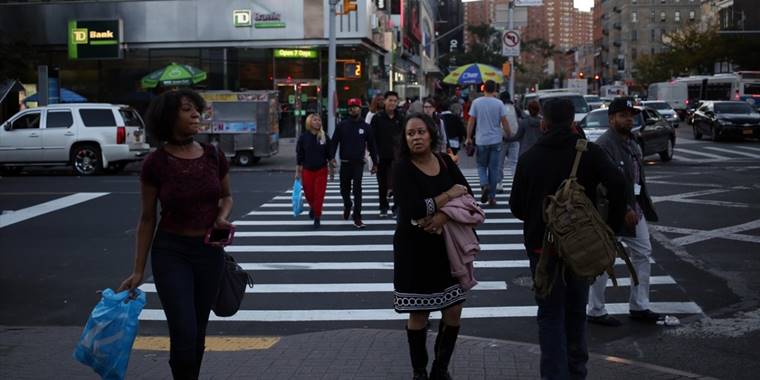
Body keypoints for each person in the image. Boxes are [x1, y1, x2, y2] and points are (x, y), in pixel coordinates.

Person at [117, 89, 233, 380]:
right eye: (186, 109)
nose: (196, 114)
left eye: (196, 108)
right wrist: (137, 271)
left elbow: (227, 196)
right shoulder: (156, 163)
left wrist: (221, 217)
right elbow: (146, 218)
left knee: (198, 332)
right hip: (171, 252)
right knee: (184, 330)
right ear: (169, 117)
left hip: (209, 253)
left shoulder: (213, 155)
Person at [509, 98, 627, 380]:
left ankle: (554, 375)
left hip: (543, 248)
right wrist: (610, 228)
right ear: (573, 121)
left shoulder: (529, 158)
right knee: (576, 313)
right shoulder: (589, 153)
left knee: (549, 317)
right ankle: (577, 373)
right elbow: (619, 185)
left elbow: (516, 207)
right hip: (580, 248)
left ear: (543, 123)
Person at [393, 112, 472, 380]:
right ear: (405, 139)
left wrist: (443, 214)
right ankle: (419, 371)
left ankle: (440, 368)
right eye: (410, 133)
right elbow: (413, 207)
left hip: (447, 247)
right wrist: (448, 196)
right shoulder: (402, 167)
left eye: (420, 132)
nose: (416, 137)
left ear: (431, 134)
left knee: (454, 309)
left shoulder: (444, 161)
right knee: (419, 313)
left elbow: (467, 191)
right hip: (414, 249)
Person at [587, 98, 664, 327]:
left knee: (643, 254)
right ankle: (596, 309)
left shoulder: (632, 141)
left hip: (635, 210)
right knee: (604, 260)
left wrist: (637, 205)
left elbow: (637, 178)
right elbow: (605, 184)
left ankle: (640, 306)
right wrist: (625, 208)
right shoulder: (604, 144)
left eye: (631, 114)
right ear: (611, 119)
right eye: (623, 115)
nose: (629, 119)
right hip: (613, 212)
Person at [331, 98, 378, 229]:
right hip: (345, 163)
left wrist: (375, 163)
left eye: (356, 106)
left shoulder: (366, 127)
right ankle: (347, 204)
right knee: (344, 190)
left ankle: (357, 217)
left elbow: (372, 146)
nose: (353, 109)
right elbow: (334, 142)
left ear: (360, 108)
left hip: (358, 163)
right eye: (351, 107)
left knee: (358, 190)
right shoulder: (342, 125)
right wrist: (332, 158)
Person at [464, 80, 512, 207]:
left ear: (483, 88)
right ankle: (492, 198)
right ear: (495, 90)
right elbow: (504, 122)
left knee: (481, 166)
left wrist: (468, 137)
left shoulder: (476, 103)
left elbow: (471, 121)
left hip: (481, 140)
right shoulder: (499, 103)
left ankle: (484, 185)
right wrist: (509, 134)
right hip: (496, 140)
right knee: (494, 169)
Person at [296, 113, 333, 229]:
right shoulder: (303, 137)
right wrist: (297, 172)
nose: (318, 122)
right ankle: (313, 207)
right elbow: (299, 155)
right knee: (309, 194)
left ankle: (317, 217)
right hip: (307, 170)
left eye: (319, 120)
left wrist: (332, 168)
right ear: (309, 123)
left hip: (321, 169)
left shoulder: (324, 136)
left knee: (319, 195)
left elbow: (329, 154)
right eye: (315, 120)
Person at [370, 91, 404, 218]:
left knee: (397, 183)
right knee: (382, 183)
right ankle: (383, 206)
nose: (392, 103)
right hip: (381, 155)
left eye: (395, 101)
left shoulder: (401, 117)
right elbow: (372, 139)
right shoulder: (377, 118)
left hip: (397, 156)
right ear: (384, 101)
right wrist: (373, 156)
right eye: (390, 100)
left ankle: (396, 207)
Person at [497, 91, 521, 192]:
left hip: (502, 139)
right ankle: (516, 183)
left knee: (500, 162)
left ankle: (499, 184)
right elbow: (521, 120)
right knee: (514, 162)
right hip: (514, 138)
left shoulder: (499, 108)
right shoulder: (515, 108)